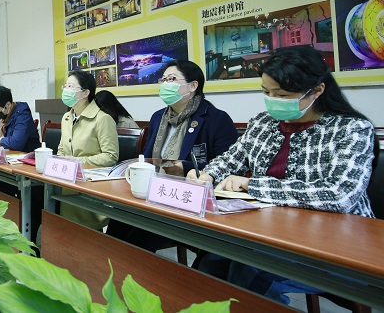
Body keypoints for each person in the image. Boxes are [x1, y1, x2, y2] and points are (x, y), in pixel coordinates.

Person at [188, 46, 376, 305]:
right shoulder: (263, 123)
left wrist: (253, 185)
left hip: (339, 245)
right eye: (266, 92)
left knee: (251, 270)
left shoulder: (351, 129)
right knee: (213, 259)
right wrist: (207, 175)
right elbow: (232, 159)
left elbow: (339, 195)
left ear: (317, 91)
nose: (272, 100)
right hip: (271, 232)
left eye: (282, 95)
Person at [106, 59, 238, 250]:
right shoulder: (158, 117)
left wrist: (184, 168)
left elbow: (228, 166)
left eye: (172, 79)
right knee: (119, 218)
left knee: (138, 236)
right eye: (164, 79)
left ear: (193, 86)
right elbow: (147, 156)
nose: (165, 84)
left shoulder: (215, 119)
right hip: (153, 192)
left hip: (187, 199)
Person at [57, 71, 120, 230]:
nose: (66, 90)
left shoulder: (103, 119)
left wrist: (77, 162)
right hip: (67, 183)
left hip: (90, 186)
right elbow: (61, 150)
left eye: (71, 86)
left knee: (85, 233)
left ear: (85, 93)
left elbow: (111, 156)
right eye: (65, 86)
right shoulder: (66, 118)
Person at [0, 85, 41, 152]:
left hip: (25, 154)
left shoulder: (23, 115)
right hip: (4, 153)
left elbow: (17, 143)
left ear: (8, 105)